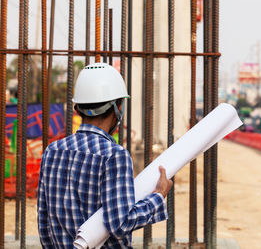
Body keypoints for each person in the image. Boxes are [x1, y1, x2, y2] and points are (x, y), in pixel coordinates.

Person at [37, 62, 173, 248]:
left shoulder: (52, 151)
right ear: (118, 108)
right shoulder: (114, 156)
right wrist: (158, 196)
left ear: (77, 109)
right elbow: (120, 223)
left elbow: (44, 223)